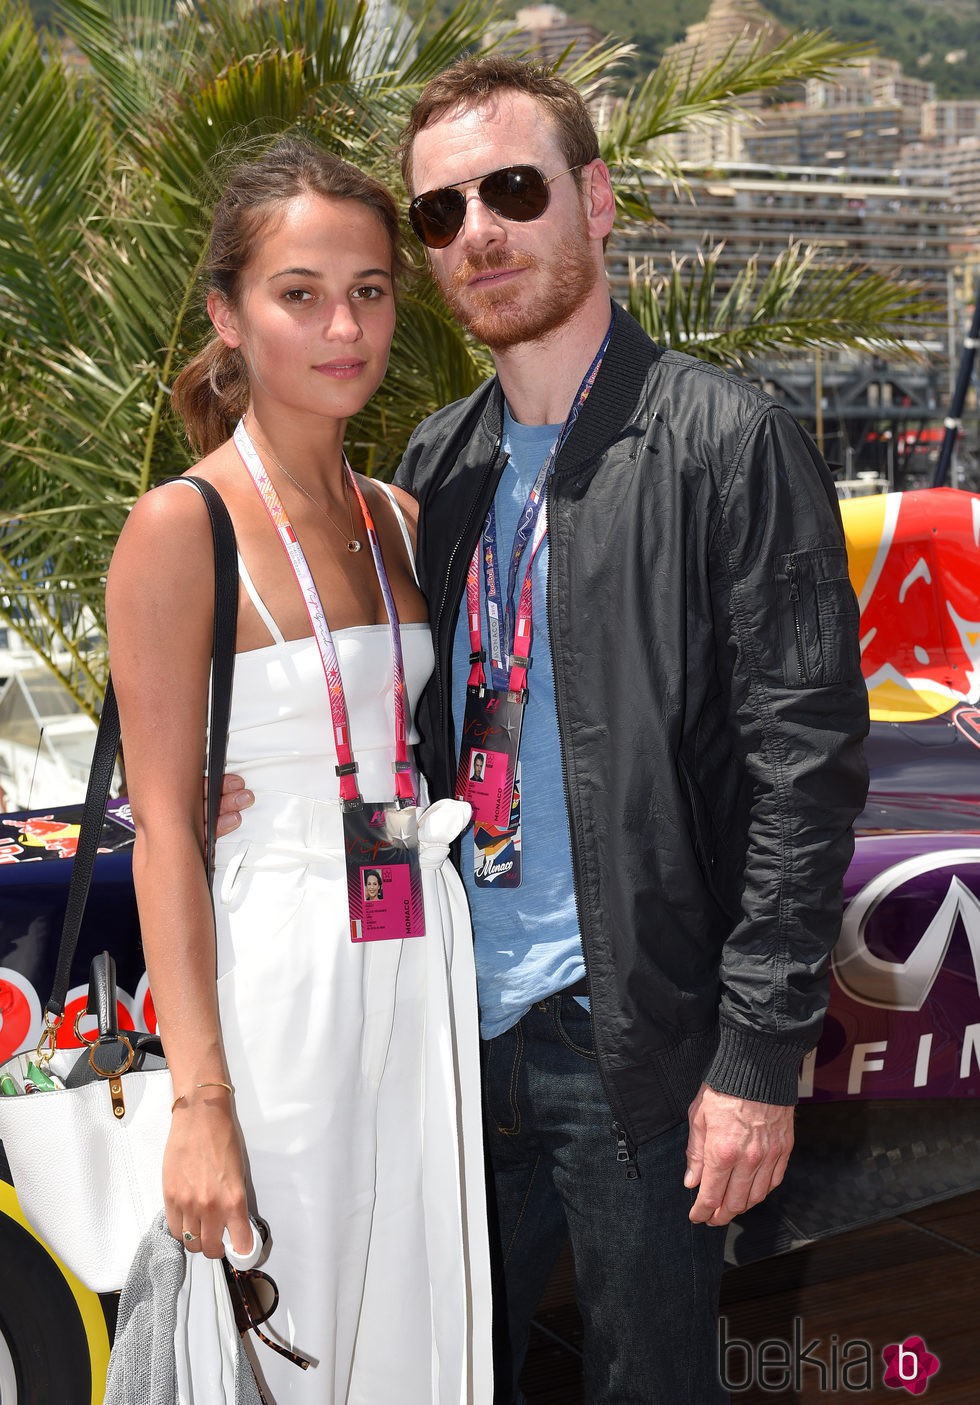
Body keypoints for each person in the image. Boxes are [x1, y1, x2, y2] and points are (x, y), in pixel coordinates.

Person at [219, 59, 870, 1403]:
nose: (480, 234)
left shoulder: (723, 443)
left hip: (633, 1042)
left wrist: (755, 1061)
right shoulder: (431, 474)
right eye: (443, 214)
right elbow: (377, 723)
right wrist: (241, 785)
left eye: (512, 190)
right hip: (445, 1036)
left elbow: (806, 776)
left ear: (597, 199)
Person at [106, 137, 492, 1404]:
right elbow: (164, 826)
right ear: (227, 312)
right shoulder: (181, 524)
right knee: (290, 1332)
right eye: (300, 292)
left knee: (411, 1326)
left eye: (371, 289)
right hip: (275, 969)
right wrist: (198, 1102)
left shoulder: (403, 517)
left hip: (414, 948)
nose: (345, 325)